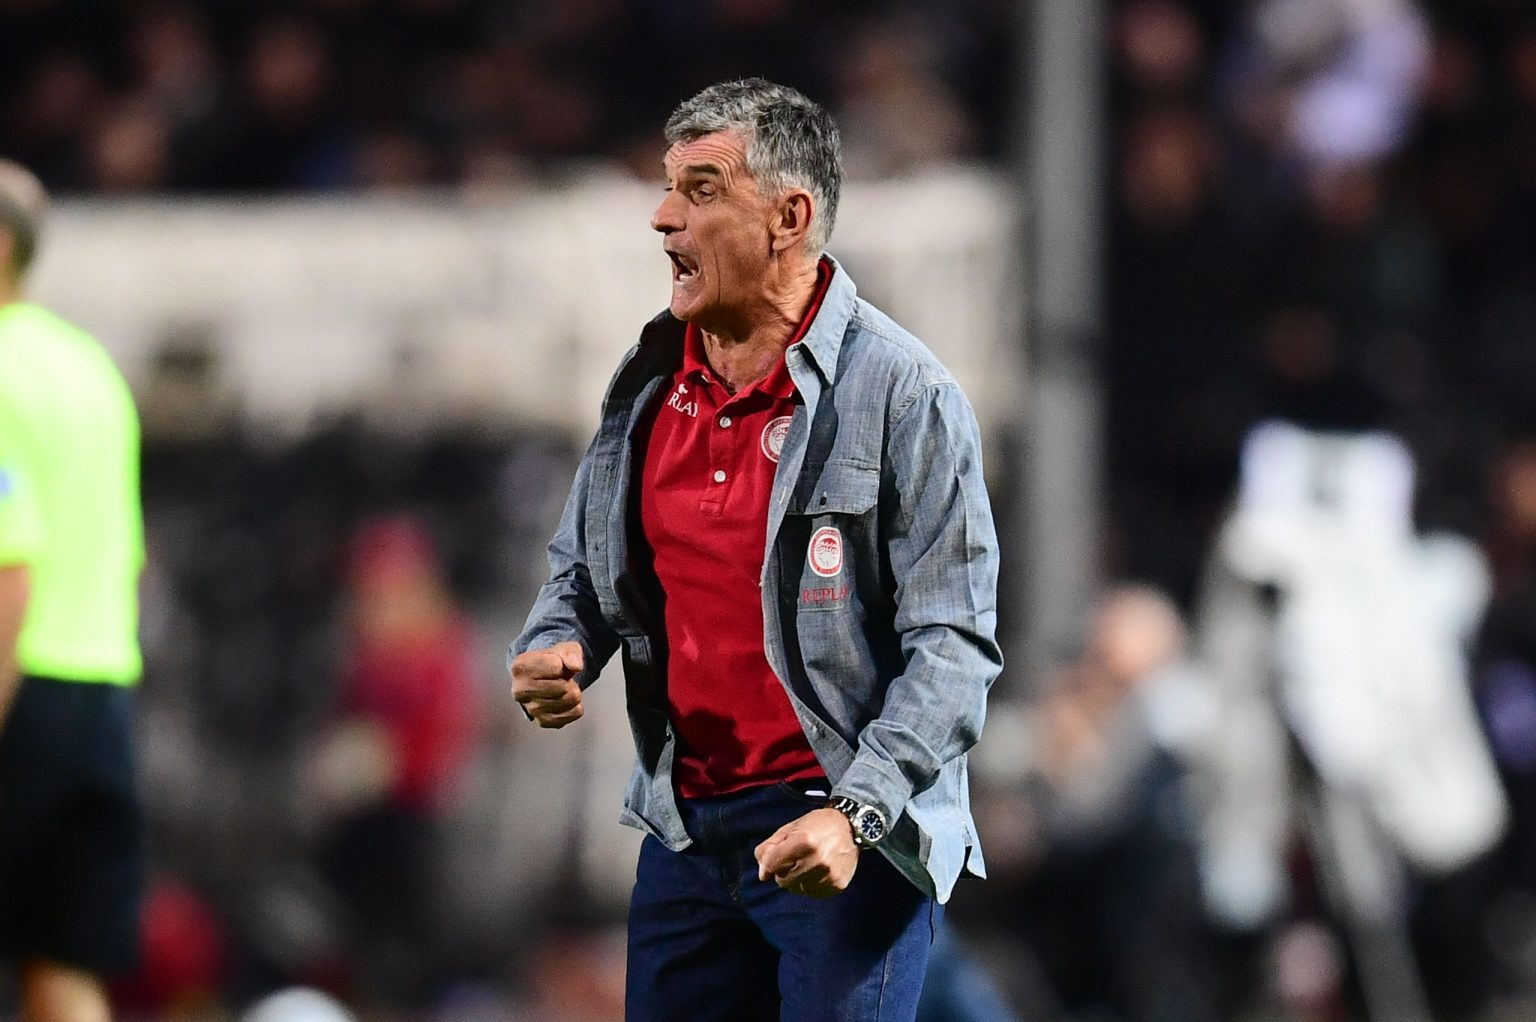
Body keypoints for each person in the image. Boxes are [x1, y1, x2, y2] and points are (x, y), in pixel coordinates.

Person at [508, 78, 1002, 1022]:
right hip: (687, 834)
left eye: (701, 190)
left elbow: (956, 644)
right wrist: (559, 642)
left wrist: (857, 815)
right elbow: (583, 567)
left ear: (789, 218)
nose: (663, 217)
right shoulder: (649, 382)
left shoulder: (907, 395)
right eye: (668, 187)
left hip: (837, 838)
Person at [0, 159, 147, 1022]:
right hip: (100, 693)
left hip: (18, 687)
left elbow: (9, 565)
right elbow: (127, 552)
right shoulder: (89, 367)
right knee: (63, 963)